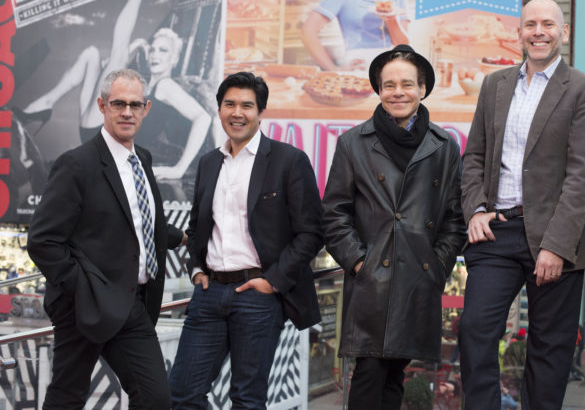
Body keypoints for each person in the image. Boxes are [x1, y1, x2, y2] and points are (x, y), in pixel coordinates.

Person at [459, 0, 585, 410]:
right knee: (475, 331)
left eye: (547, 24)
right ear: (519, 32)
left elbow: (582, 175)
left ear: (564, 31)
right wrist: (475, 208)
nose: (538, 31)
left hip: (555, 237)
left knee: (549, 348)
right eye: (530, 24)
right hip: (497, 231)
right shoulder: (495, 84)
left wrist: (556, 245)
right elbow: (473, 156)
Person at [27, 68, 184, 409]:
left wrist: (181, 236)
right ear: (102, 105)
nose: (127, 112)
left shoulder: (142, 158)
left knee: (156, 399)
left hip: (134, 305)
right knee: (68, 395)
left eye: (135, 104)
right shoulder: (76, 165)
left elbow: (139, 218)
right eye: (118, 104)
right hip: (85, 304)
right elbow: (42, 240)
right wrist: (81, 286)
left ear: (147, 108)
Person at [169, 72, 323, 409]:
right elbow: (198, 226)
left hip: (258, 296)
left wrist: (272, 282)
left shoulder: (288, 160)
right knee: (182, 393)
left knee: (247, 399)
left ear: (260, 112)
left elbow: (311, 233)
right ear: (219, 108)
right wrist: (196, 268)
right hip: (209, 295)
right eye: (230, 104)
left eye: (246, 106)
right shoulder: (209, 162)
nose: (237, 112)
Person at [323, 44, 465, 409]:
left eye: (406, 84)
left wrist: (436, 266)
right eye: (388, 85)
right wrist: (359, 263)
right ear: (378, 89)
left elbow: (454, 218)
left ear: (422, 89)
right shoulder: (354, 142)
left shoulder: (444, 145)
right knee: (370, 374)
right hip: (372, 280)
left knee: (394, 378)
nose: (397, 92)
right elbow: (335, 213)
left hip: (418, 278)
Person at [19, 0, 158, 140]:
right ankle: (47, 102)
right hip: (94, 125)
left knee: (119, 51)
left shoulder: (162, 84)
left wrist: (130, 49)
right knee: (91, 54)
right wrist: (135, 47)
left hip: (97, 127)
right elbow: (108, 67)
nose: (155, 56)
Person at [136, 27, 212, 181]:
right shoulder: (147, 87)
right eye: (152, 50)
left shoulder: (166, 86)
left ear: (174, 59)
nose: (155, 55)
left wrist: (179, 169)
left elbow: (203, 118)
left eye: (163, 50)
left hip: (155, 164)